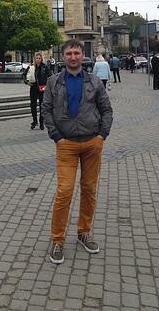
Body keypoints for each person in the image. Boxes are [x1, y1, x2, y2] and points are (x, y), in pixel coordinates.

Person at [42, 39, 113, 265]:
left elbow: (106, 109)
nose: (73, 57)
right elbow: (46, 111)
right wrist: (57, 137)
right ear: (63, 56)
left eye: (77, 53)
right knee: (64, 191)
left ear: (82, 55)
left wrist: (102, 136)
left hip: (92, 143)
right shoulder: (54, 82)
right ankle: (57, 240)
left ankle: (84, 232)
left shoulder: (94, 81)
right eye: (69, 53)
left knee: (89, 189)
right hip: (67, 145)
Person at [24, 52, 51, 130]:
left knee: (42, 106)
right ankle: (35, 121)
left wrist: (47, 86)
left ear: (41, 59)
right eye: (37, 58)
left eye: (39, 58)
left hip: (42, 88)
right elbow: (24, 75)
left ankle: (41, 122)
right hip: (33, 88)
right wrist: (27, 82)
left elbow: (50, 77)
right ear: (34, 59)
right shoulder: (31, 67)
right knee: (33, 105)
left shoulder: (45, 67)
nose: (38, 60)